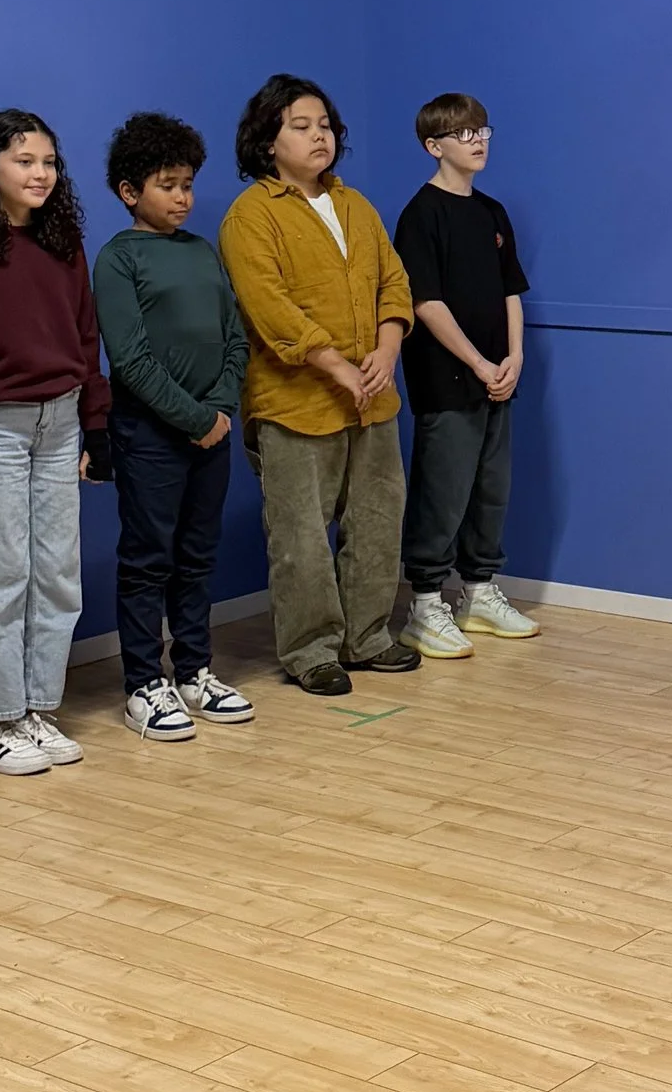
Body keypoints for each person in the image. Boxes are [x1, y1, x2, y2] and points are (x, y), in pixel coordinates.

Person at [0, 109, 111, 777]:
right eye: (25, 160)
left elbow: (85, 338)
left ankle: (37, 708)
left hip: (61, 422)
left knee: (58, 573)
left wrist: (96, 422)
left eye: (50, 162)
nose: (41, 173)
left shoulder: (65, 243)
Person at [221, 75, 419, 697]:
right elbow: (269, 307)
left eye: (325, 125)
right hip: (295, 402)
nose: (318, 136)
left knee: (378, 521)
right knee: (300, 535)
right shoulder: (250, 215)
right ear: (267, 140)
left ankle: (368, 638)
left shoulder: (357, 205)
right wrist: (337, 365)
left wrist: (386, 350)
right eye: (300, 126)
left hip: (374, 396)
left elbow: (394, 281)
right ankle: (311, 650)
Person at [93, 112, 254, 744]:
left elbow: (234, 337)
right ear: (131, 192)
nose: (182, 197)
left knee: (196, 555)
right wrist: (193, 419)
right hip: (151, 436)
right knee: (147, 559)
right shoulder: (117, 260)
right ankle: (143, 683)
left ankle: (194, 670)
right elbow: (128, 360)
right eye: (167, 184)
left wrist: (219, 411)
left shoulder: (202, 250)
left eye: (187, 183)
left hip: (210, 432)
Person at [395, 94, 540, 658]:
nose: (478, 140)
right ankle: (426, 603)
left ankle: (477, 592)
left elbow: (511, 291)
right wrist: (477, 362)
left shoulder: (492, 212)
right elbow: (425, 302)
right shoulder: (421, 215)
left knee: (490, 489)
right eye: (463, 134)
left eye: (483, 130)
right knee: (444, 491)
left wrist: (514, 357)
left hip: (499, 377)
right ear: (435, 146)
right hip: (448, 380)